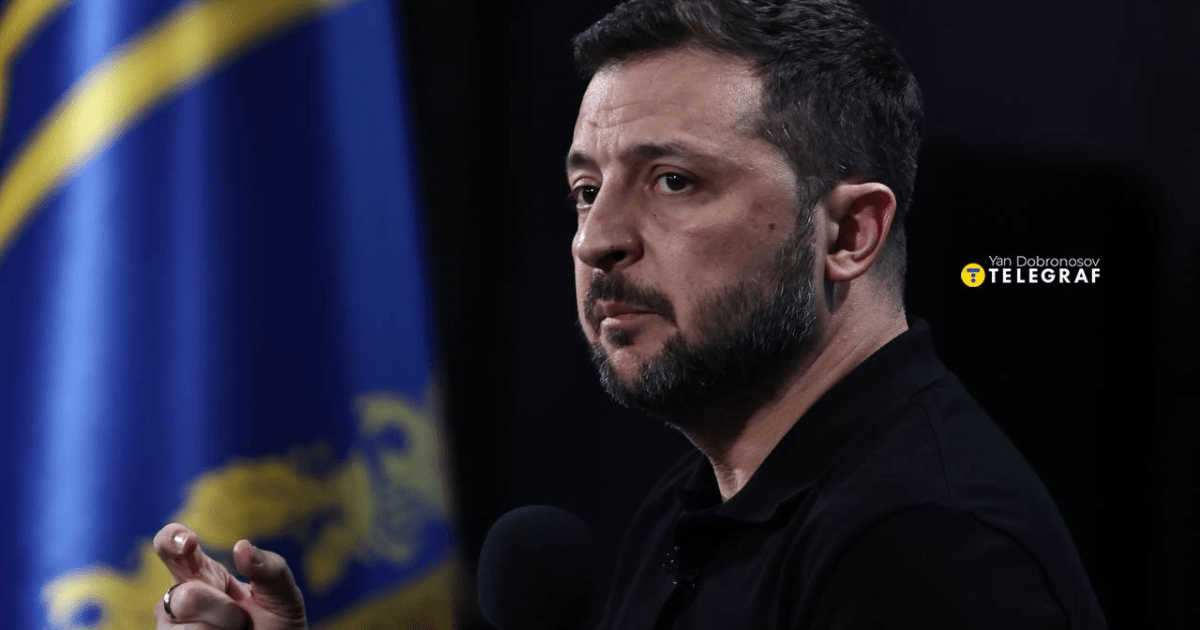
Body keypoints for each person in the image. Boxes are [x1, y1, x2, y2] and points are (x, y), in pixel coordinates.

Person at [152, 0, 1108, 628]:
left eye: (674, 180)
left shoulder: (927, 547)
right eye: (585, 190)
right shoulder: (702, 504)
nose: (596, 239)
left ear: (850, 232)